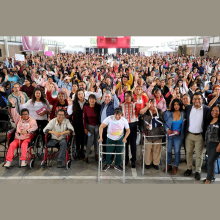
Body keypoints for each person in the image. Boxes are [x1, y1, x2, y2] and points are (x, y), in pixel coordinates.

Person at [4, 98, 38, 168]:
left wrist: (27, 131)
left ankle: (23, 161)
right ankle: (8, 161)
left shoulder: (32, 120)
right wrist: (13, 105)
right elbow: (14, 113)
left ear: (28, 114)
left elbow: (35, 127)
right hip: (18, 138)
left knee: (24, 145)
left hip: (27, 138)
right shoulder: (19, 119)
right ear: (21, 115)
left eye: (26, 114)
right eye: (24, 114)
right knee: (12, 145)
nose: (25, 115)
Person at [184, 92, 211, 180]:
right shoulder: (188, 108)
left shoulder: (207, 109)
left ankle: (198, 171)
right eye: (195, 99)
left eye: (199, 99)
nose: (197, 101)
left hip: (200, 136)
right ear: (192, 100)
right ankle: (189, 169)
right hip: (189, 135)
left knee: (199, 155)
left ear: (202, 100)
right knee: (188, 153)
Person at [140, 98, 165, 170]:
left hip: (158, 133)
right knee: (148, 149)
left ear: (156, 104)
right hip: (148, 134)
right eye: (151, 103)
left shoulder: (159, 111)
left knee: (157, 149)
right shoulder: (146, 111)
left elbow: (163, 120)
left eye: (154, 103)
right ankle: (147, 163)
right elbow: (141, 112)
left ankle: (156, 163)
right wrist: (147, 107)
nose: (152, 105)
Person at [163, 99, 185, 175]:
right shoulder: (168, 113)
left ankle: (176, 166)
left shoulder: (183, 113)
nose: (176, 106)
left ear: (180, 105)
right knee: (168, 150)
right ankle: (168, 164)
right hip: (170, 135)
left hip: (178, 135)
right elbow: (164, 123)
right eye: (174, 104)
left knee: (177, 151)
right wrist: (167, 129)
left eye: (178, 104)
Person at [120, 91, 140, 168]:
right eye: (125, 96)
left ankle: (133, 160)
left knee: (133, 144)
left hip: (133, 125)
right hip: (125, 126)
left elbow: (140, 109)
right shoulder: (121, 105)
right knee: (125, 143)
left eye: (128, 96)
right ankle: (126, 159)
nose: (126, 97)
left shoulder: (135, 104)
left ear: (131, 96)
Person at [100, 87, 120, 162]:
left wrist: (114, 94)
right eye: (105, 97)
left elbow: (117, 104)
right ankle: (104, 157)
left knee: (110, 144)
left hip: (110, 127)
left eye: (108, 97)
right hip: (103, 126)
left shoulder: (113, 105)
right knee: (104, 142)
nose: (107, 98)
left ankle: (110, 158)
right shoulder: (102, 104)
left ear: (111, 97)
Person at [67, 89, 87, 159]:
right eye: (79, 94)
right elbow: (69, 113)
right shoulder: (74, 103)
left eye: (82, 94)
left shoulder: (87, 102)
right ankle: (78, 150)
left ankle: (82, 150)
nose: (80, 95)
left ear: (84, 94)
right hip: (77, 122)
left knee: (83, 137)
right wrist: (69, 105)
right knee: (78, 137)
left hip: (85, 123)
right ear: (76, 95)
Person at [203, 104, 220, 184]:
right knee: (211, 161)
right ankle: (212, 177)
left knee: (210, 161)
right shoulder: (210, 120)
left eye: (217, 110)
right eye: (213, 110)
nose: (214, 112)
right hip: (209, 144)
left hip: (216, 145)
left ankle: (208, 179)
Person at [83, 94, 101, 163]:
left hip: (97, 126)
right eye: (90, 99)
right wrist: (85, 128)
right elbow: (84, 118)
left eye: (93, 99)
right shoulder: (86, 107)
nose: (91, 100)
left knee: (96, 141)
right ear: (88, 100)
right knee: (89, 141)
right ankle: (86, 156)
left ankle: (96, 154)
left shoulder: (98, 106)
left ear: (95, 100)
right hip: (89, 127)